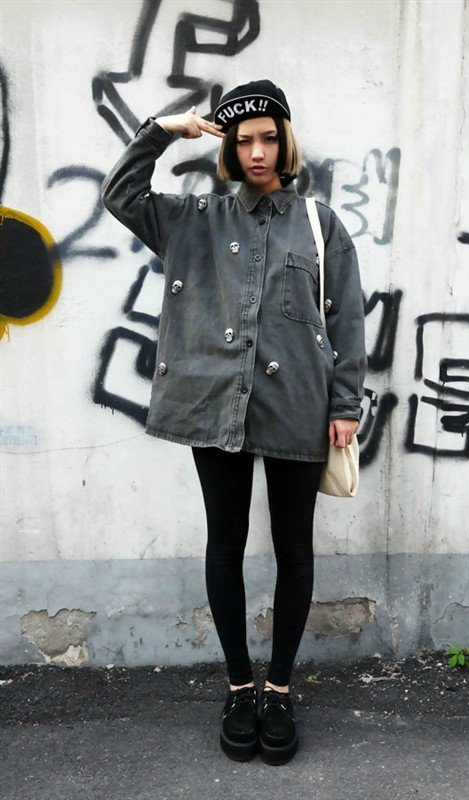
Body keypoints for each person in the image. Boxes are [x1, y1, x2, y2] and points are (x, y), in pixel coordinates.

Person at [100, 79, 367, 766]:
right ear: (230, 149)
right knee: (225, 542)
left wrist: (345, 405)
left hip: (298, 407)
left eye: (268, 138)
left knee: (294, 547)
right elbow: (120, 194)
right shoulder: (192, 219)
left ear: (284, 141)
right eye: (244, 140)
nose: (256, 152)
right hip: (214, 405)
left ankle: (279, 689)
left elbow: (346, 317)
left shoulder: (320, 225)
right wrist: (166, 130)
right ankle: (240, 686)